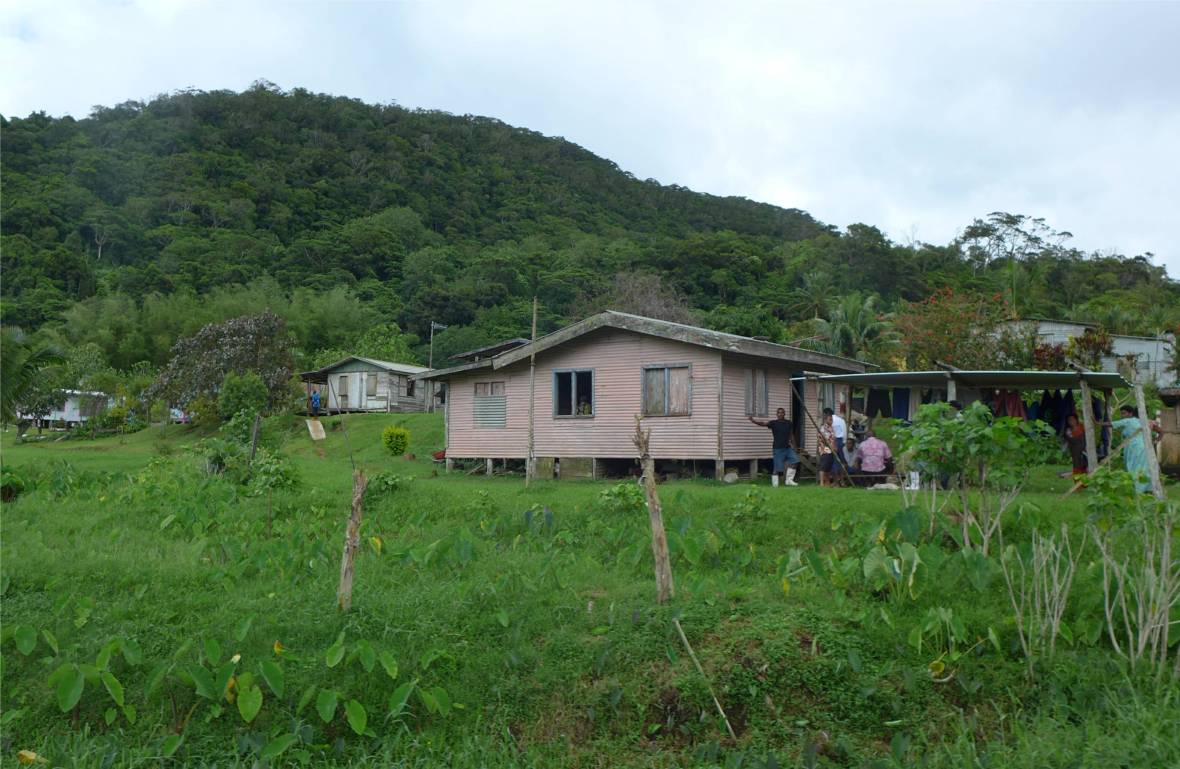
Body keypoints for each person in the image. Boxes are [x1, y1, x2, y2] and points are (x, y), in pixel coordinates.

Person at [1108, 405, 1162, 493]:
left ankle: (1138, 489)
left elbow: (1111, 424)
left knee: (1133, 467)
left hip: (1134, 448)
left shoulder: (1131, 421)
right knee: (1145, 467)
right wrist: (1155, 441)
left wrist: (1098, 423)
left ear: (1133, 413)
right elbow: (1161, 432)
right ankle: (1148, 488)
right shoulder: (1148, 422)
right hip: (1145, 448)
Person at [748, 408, 798, 486]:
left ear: (784, 414)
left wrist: (794, 446)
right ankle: (775, 485)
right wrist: (754, 421)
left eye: (782, 412)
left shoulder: (788, 423)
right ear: (776, 414)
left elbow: (791, 435)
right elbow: (763, 424)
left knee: (795, 461)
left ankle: (789, 480)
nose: (780, 414)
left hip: (787, 448)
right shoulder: (774, 423)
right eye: (779, 413)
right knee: (777, 468)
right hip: (778, 449)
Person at [822, 407, 848, 481]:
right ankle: (842, 479)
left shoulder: (829, 420)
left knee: (834, 461)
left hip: (833, 441)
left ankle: (836, 480)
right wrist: (844, 442)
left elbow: (828, 433)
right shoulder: (841, 420)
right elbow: (844, 432)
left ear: (826, 414)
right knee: (841, 461)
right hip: (841, 441)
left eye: (824, 415)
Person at [1064, 413, 1088, 478]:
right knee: (1077, 467)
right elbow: (1072, 440)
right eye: (1069, 420)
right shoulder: (1068, 430)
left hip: (1085, 451)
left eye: (1073, 419)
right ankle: (1077, 482)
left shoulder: (1082, 426)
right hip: (1075, 452)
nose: (1071, 421)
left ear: (1076, 420)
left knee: (1085, 467)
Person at [817, 412, 837, 487]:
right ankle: (822, 482)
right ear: (826, 420)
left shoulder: (832, 428)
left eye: (832, 419)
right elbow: (822, 439)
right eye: (830, 419)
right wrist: (828, 446)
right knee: (823, 466)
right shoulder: (823, 428)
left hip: (832, 450)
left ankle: (827, 482)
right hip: (825, 449)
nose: (831, 421)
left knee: (828, 467)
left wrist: (835, 446)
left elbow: (833, 439)